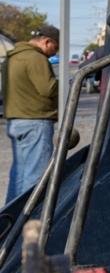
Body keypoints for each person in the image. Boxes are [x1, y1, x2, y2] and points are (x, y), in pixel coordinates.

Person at [2, 25, 60, 203]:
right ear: (46, 41)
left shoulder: (11, 58)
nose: (53, 53)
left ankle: (11, 219)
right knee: (36, 177)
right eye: (55, 47)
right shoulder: (36, 58)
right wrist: (67, 83)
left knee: (18, 176)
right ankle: (31, 222)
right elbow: (47, 88)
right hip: (36, 121)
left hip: (15, 121)